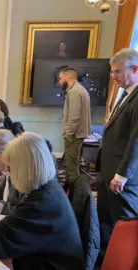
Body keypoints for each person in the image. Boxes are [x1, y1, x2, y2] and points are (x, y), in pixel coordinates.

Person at [0, 132, 84, 270]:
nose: (8, 172)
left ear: (24, 169)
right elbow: (14, 227)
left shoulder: (40, 205)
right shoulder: (48, 190)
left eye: (10, 168)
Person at [97, 48, 138, 260]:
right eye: (112, 73)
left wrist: (122, 175)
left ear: (135, 68)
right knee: (105, 222)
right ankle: (105, 262)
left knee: (124, 226)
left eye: (118, 72)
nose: (114, 78)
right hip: (108, 173)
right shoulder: (126, 94)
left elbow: (136, 141)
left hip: (122, 178)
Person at [58, 67, 91, 183]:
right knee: (72, 163)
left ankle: (75, 195)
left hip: (74, 135)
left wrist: (68, 134)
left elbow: (74, 117)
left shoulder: (75, 92)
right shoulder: (79, 90)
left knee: (71, 166)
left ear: (68, 78)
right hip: (77, 134)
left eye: (61, 78)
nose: (59, 81)